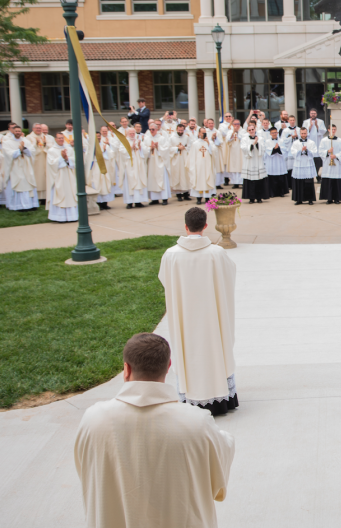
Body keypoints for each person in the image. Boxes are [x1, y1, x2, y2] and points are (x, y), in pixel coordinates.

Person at [74, 333, 235, 528]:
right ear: (168, 367)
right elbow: (219, 467)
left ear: (126, 369)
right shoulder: (196, 423)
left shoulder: (93, 420)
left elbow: (86, 471)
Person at [159, 207, 238, 415]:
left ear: (185, 227)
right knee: (215, 346)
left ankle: (191, 396)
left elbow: (164, 280)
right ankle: (221, 398)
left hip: (185, 316)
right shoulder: (216, 253)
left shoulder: (171, 255)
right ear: (205, 226)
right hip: (212, 316)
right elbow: (230, 276)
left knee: (189, 350)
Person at [0, 124, 39, 211]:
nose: (18, 132)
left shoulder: (26, 141)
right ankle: (17, 206)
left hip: (26, 166)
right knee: (18, 182)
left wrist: (24, 148)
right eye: (16, 131)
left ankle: (30, 204)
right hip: (15, 167)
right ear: (12, 132)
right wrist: (19, 150)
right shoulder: (7, 142)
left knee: (28, 182)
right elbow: (8, 154)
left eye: (19, 131)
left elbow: (32, 152)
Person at [46, 132, 78, 222]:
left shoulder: (69, 149)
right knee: (59, 195)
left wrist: (67, 159)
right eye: (59, 138)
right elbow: (51, 164)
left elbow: (74, 161)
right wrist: (61, 158)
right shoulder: (51, 150)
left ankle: (72, 216)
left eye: (62, 138)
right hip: (58, 176)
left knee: (70, 194)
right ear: (55, 139)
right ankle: (58, 217)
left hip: (69, 176)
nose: (61, 140)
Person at [241, 121, 268, 204]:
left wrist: (257, 144)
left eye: (253, 129)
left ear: (255, 129)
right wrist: (253, 144)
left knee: (259, 180)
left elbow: (263, 149)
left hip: (258, 161)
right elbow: (244, 149)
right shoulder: (244, 139)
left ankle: (259, 197)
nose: (251, 131)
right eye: (250, 130)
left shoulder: (260, 138)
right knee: (250, 180)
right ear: (247, 131)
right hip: (249, 161)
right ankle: (251, 198)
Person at [318, 124, 341, 204]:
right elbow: (320, 151)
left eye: (334, 129)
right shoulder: (324, 140)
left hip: (336, 163)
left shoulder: (340, 141)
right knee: (328, 180)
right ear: (328, 130)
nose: (333, 131)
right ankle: (329, 198)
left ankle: (337, 198)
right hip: (327, 164)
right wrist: (328, 152)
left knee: (336, 181)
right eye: (332, 129)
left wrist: (336, 156)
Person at [289, 127, 317, 206]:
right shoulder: (296, 143)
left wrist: (307, 151)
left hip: (308, 164)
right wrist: (301, 151)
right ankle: (299, 199)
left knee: (308, 182)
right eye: (302, 133)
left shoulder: (311, 142)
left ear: (307, 133)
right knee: (299, 183)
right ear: (299, 133)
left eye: (305, 133)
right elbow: (293, 152)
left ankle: (310, 199)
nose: (303, 135)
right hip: (299, 165)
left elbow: (314, 152)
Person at [190, 128, 217, 205]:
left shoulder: (209, 142)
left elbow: (214, 151)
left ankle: (207, 198)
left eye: (205, 133)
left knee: (207, 179)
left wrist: (208, 143)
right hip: (198, 166)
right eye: (202, 133)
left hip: (207, 165)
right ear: (199, 133)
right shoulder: (195, 143)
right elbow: (192, 156)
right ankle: (199, 198)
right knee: (199, 180)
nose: (203, 134)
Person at [262, 126, 289, 198]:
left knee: (280, 177)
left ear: (277, 133)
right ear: (270, 134)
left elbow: (284, 149)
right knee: (272, 178)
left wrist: (278, 148)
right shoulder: (267, 141)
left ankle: (281, 192)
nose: (274, 134)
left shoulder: (281, 140)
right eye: (272, 133)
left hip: (279, 161)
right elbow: (267, 150)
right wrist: (274, 149)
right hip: (271, 162)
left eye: (275, 132)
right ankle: (272, 193)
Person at [302, 109, 326, 182]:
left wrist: (316, 125)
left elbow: (323, 131)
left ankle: (318, 177)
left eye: (314, 113)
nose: (313, 114)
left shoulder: (320, 121)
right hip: (309, 144)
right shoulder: (306, 122)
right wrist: (310, 126)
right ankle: (309, 177)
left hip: (318, 143)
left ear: (316, 114)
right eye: (311, 113)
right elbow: (303, 132)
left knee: (318, 162)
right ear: (309, 114)